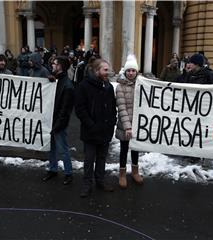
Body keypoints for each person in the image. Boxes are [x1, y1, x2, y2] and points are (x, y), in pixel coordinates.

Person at [75, 58, 117, 197]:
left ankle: (100, 180)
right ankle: (87, 184)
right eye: (105, 70)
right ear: (96, 70)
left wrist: (112, 123)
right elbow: (80, 109)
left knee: (101, 158)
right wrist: (91, 125)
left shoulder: (109, 87)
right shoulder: (84, 86)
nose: (108, 72)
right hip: (91, 132)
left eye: (108, 69)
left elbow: (112, 108)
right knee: (89, 159)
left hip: (105, 131)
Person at [41, 56, 75, 185]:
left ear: (60, 66)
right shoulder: (58, 81)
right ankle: (53, 169)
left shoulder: (67, 86)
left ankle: (68, 173)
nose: (52, 66)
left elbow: (65, 111)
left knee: (63, 148)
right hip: (52, 121)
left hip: (58, 123)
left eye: (54, 64)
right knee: (52, 148)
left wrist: (57, 125)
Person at [116, 54, 143, 188]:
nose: (131, 73)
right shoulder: (120, 87)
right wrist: (127, 127)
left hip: (138, 124)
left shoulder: (142, 84)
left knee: (136, 149)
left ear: (136, 71)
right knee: (124, 149)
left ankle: (135, 171)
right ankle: (122, 174)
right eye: (129, 70)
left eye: (133, 70)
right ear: (125, 71)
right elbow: (122, 108)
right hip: (124, 125)